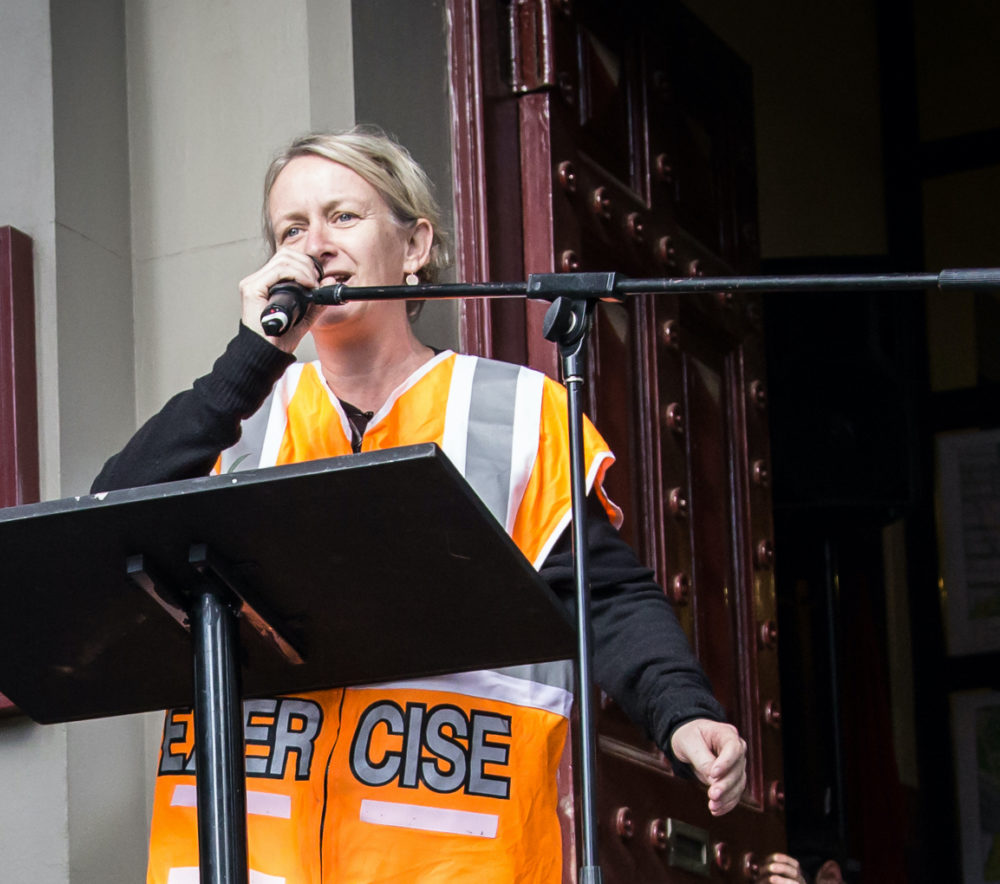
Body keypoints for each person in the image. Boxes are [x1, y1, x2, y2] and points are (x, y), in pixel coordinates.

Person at [95, 127, 746, 884]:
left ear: (414, 245)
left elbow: (603, 596)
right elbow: (107, 525)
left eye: (343, 217)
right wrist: (251, 361)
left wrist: (682, 710)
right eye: (291, 230)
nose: (316, 247)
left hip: (450, 847)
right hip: (253, 854)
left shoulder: (516, 412)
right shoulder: (238, 416)